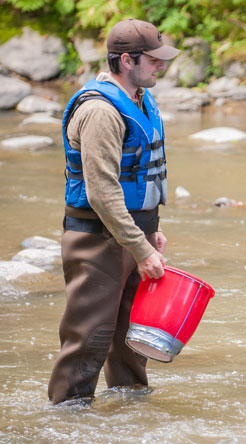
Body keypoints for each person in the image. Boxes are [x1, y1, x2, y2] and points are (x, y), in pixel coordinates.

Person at [48, 18, 179, 405]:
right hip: (95, 240)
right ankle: (67, 419)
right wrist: (141, 248)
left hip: (130, 235)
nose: (162, 66)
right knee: (87, 340)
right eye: (154, 60)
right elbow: (102, 192)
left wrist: (149, 232)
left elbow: (138, 179)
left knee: (130, 342)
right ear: (126, 60)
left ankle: (131, 412)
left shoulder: (141, 98)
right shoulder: (101, 111)